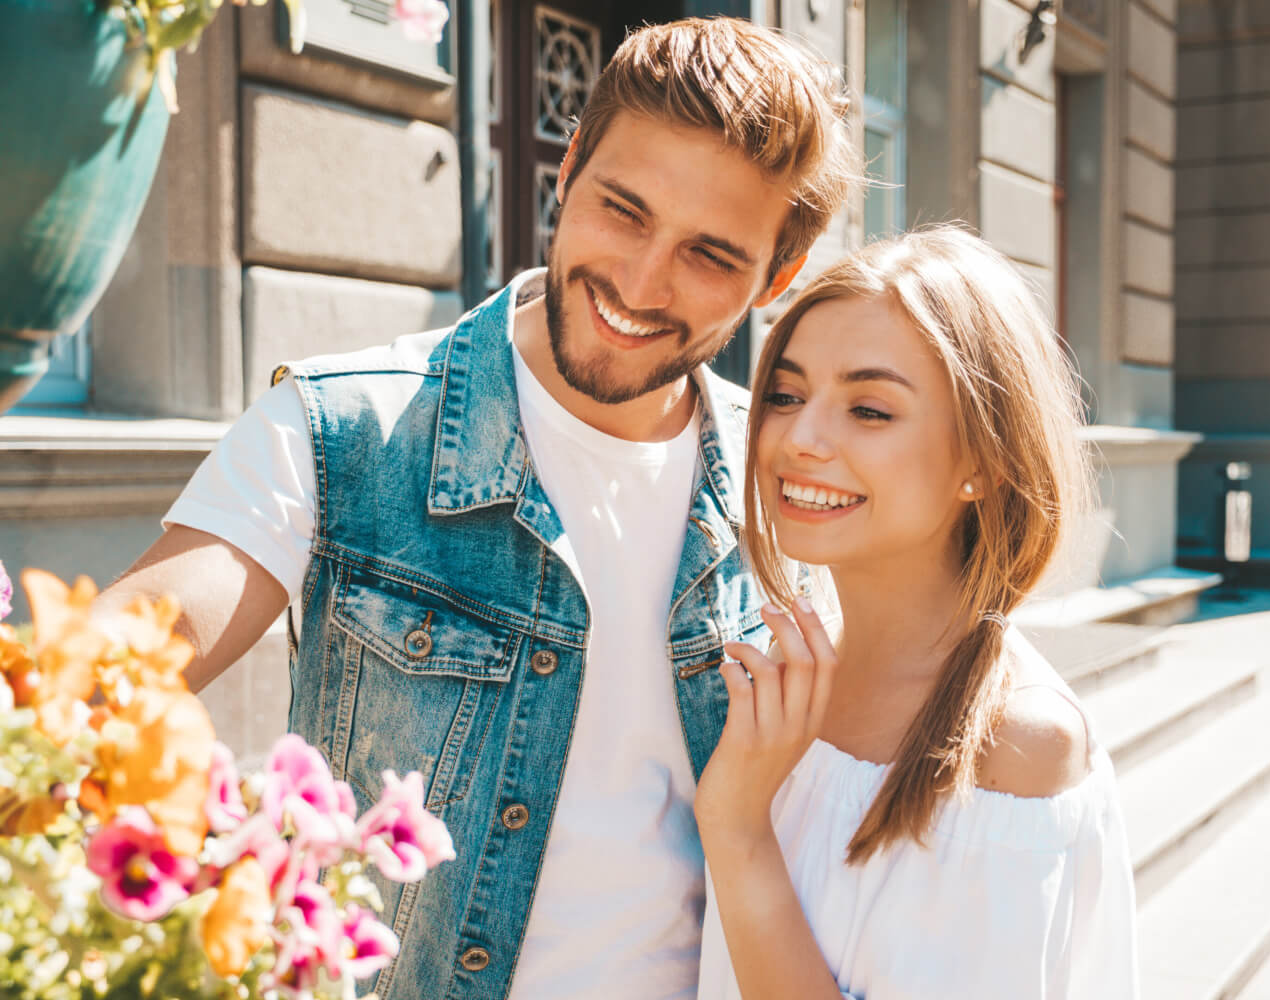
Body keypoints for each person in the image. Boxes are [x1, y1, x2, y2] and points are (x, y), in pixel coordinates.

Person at [98, 17, 857, 1000]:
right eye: (622, 210)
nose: (638, 279)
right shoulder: (340, 428)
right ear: (569, 164)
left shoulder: (787, 484)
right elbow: (105, 669)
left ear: (778, 277)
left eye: (709, 255)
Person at [693, 228, 1139, 1000]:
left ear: (982, 459)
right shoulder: (788, 672)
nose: (800, 438)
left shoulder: (1015, 748)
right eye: (786, 395)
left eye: (868, 409)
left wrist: (735, 830)